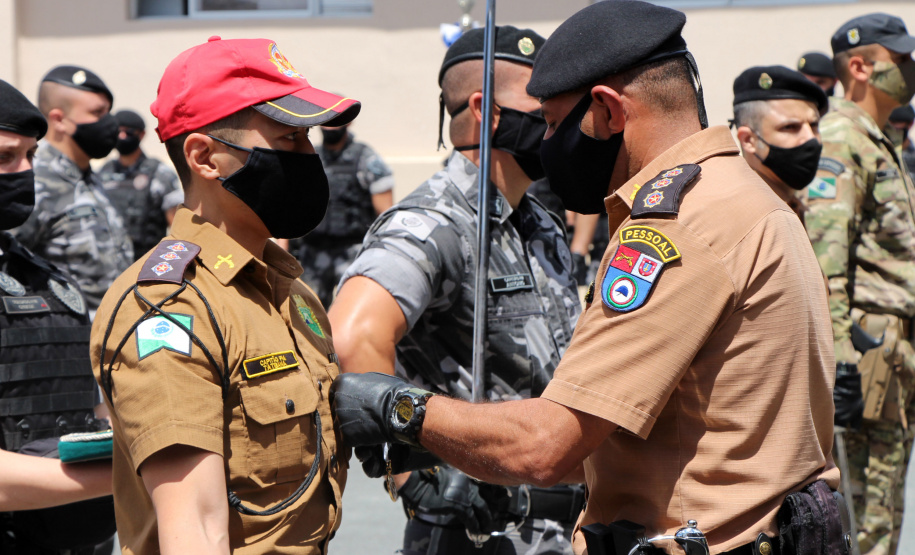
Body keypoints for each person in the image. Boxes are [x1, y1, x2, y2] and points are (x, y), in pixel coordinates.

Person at [331, 2, 846, 554]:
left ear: (606, 109)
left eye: (553, 122)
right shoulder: (751, 199)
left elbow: (547, 447)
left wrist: (396, 408)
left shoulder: (676, 228)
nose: (549, 143)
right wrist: (420, 477)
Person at [89, 37, 360, 554]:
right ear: (204, 157)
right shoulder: (170, 308)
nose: (309, 157)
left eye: (309, 140)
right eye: (288, 141)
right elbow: (195, 528)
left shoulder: (291, 291)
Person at [328, 26, 583, 555]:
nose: (559, 120)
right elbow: (354, 334)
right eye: (544, 103)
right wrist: (408, 469)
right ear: (487, 110)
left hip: (563, 528)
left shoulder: (538, 219)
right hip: (479, 533)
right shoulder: (433, 222)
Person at [805, 13, 915, 555]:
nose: (911, 69)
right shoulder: (843, 137)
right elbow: (828, 259)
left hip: (892, 352)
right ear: (860, 67)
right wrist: (841, 359)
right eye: (901, 60)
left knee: (884, 511)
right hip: (866, 352)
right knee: (864, 519)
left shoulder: (877, 138)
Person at [0, 79, 115, 553]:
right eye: (7, 156)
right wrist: (124, 472)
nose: (25, 171)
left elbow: (87, 409)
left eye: (31, 154)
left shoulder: (42, 277)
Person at [9, 65, 132, 320]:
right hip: (64, 343)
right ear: (59, 120)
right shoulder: (33, 182)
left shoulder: (90, 178)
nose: (109, 122)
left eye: (108, 111)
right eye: (97, 113)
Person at [288, 121, 394, 307]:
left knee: (353, 309)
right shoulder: (312, 156)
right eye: (327, 123)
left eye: (336, 121)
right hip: (314, 252)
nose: (331, 127)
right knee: (308, 314)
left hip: (352, 250)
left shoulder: (364, 157)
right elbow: (290, 208)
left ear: (349, 122)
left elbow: (385, 214)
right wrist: (284, 251)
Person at [731, 65, 828, 223]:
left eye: (814, 125)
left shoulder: (792, 207)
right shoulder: (743, 219)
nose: (810, 138)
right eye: (790, 127)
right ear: (749, 140)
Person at [98, 109, 183, 260]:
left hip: (146, 263)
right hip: (111, 263)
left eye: (128, 132)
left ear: (141, 134)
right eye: (118, 131)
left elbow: (178, 225)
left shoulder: (158, 172)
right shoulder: (103, 172)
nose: (122, 136)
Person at [885, 104, 915, 176]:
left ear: (910, 124)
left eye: (895, 122)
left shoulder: (912, 157)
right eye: (888, 122)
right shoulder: (879, 151)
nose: (891, 126)